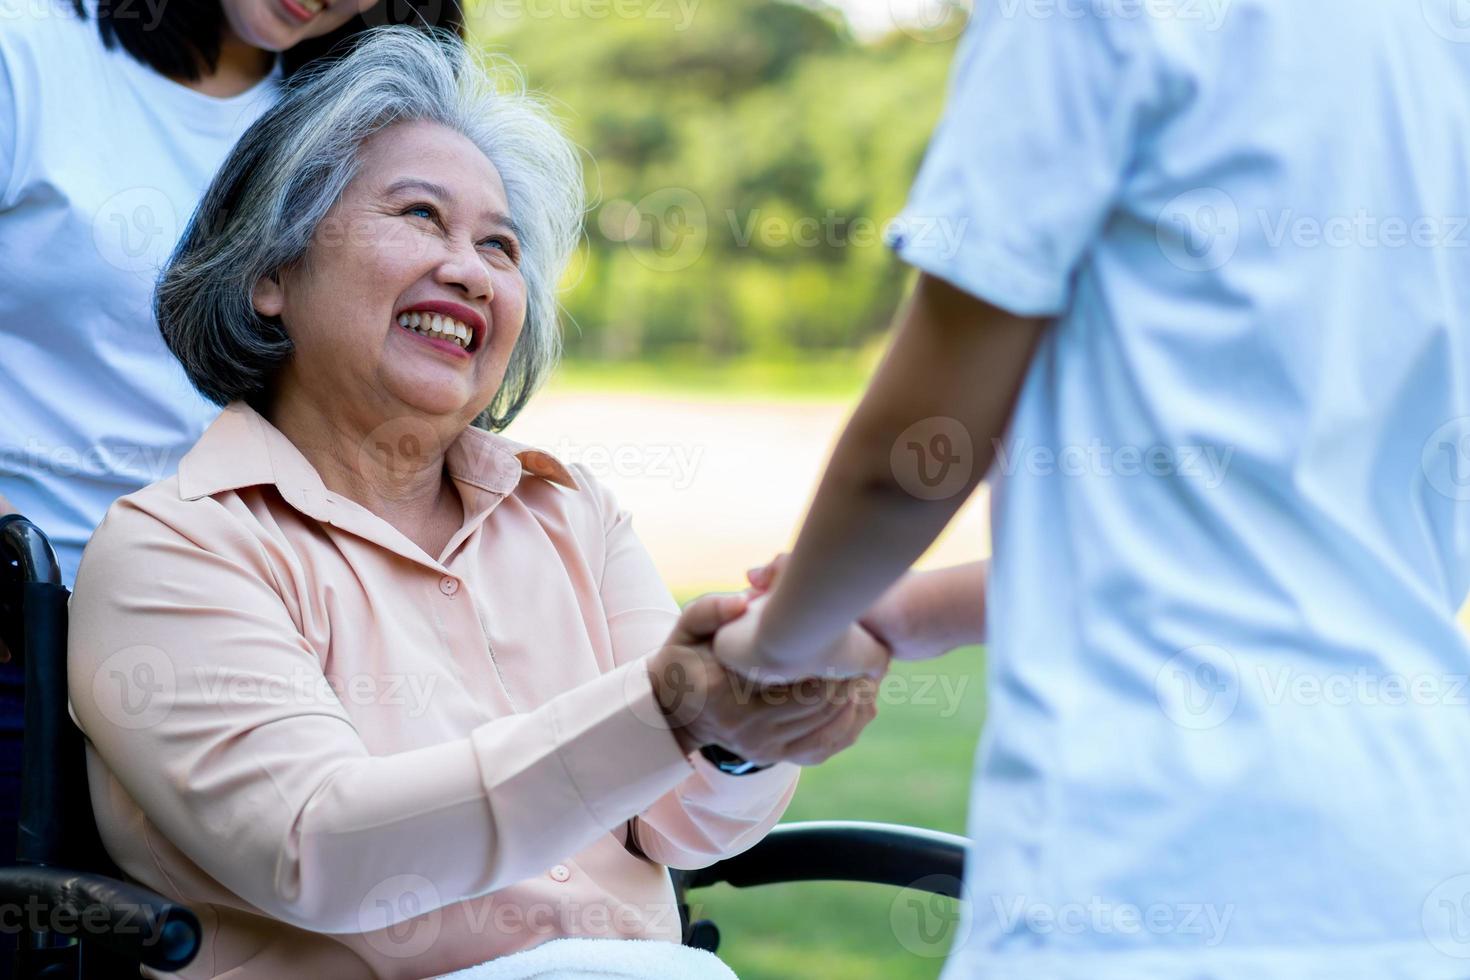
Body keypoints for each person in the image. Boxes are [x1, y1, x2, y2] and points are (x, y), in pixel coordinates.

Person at [67, 27, 886, 979]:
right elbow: (316, 849)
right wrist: (666, 709)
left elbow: (688, 827)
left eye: (499, 245)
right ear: (270, 273)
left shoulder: (571, 514)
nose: (471, 268)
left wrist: (748, 725)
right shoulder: (175, 548)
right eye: (419, 216)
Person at [713, 2, 1470, 977]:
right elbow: (1321, 541)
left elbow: (920, 445)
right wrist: (900, 615)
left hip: (1149, 857)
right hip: (1415, 865)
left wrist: (774, 655)